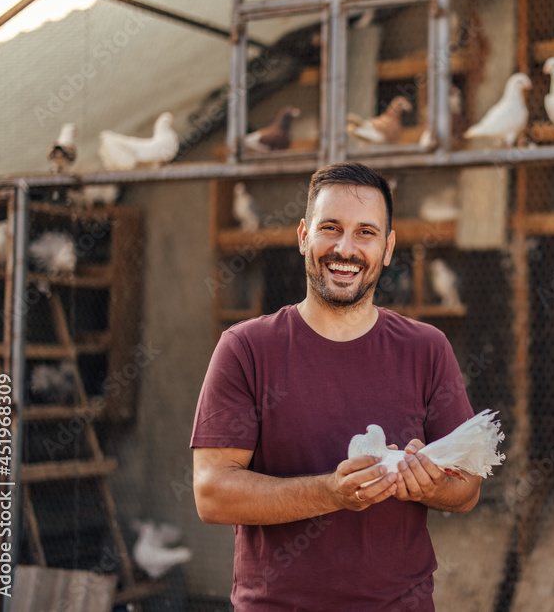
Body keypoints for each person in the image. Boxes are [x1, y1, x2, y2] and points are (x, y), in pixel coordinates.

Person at [191, 162, 482, 610]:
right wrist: (331, 493)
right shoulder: (245, 348)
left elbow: (467, 490)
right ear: (304, 235)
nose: (346, 249)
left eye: (366, 233)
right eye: (331, 228)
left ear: (387, 248)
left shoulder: (427, 349)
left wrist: (427, 486)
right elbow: (211, 493)